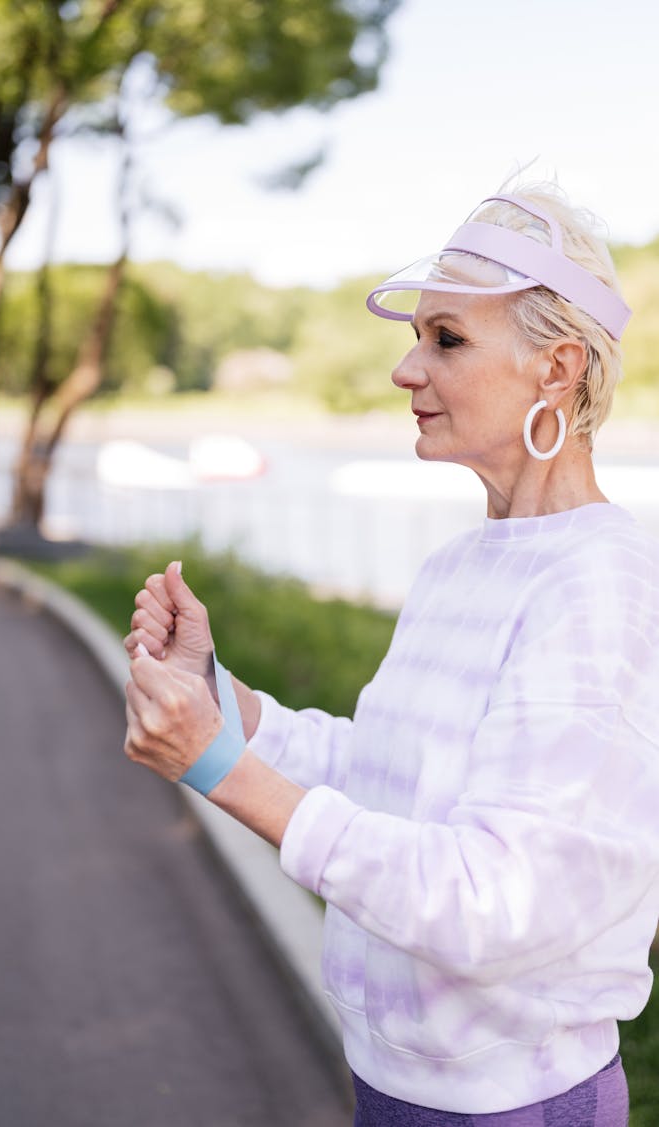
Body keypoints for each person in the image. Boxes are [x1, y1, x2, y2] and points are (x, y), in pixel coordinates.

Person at [123, 183, 659, 1126]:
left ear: (557, 367)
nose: (407, 370)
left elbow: (495, 900)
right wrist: (216, 695)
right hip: (391, 1088)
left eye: (447, 339)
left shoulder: (599, 585)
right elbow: (379, 777)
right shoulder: (460, 565)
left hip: (513, 1108)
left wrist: (216, 767)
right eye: (417, 337)